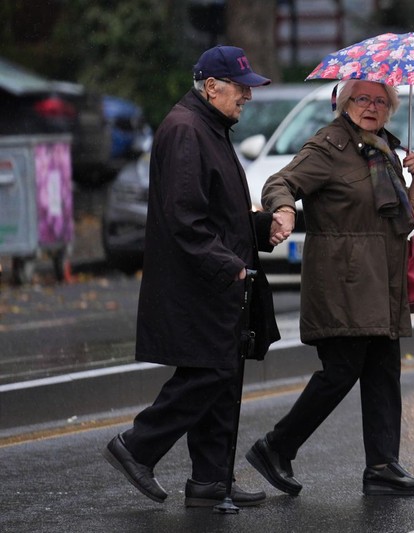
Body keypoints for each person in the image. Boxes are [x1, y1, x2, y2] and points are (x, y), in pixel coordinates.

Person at [102, 45, 282, 507]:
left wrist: (262, 229)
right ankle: (137, 446)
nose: (248, 96)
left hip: (218, 280)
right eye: (241, 87)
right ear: (211, 86)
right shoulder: (186, 129)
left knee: (223, 376)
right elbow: (185, 218)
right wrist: (232, 266)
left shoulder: (210, 125)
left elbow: (219, 211)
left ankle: (210, 483)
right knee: (211, 373)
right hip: (201, 283)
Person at [246, 79, 414, 496]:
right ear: (345, 103)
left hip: (381, 280)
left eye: (381, 101)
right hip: (343, 279)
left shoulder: (383, 150)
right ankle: (276, 446)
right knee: (341, 371)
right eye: (363, 98)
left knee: (384, 369)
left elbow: (395, 220)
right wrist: (284, 212)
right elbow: (280, 182)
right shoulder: (330, 145)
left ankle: (383, 465)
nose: (372, 106)